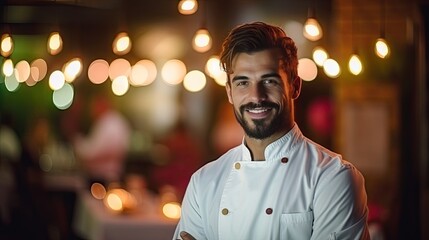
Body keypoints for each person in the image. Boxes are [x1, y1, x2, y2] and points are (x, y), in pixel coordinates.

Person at [173, 22, 369, 240]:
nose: (256, 97)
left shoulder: (332, 178)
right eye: (243, 83)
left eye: (269, 80)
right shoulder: (204, 182)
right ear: (229, 92)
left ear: (295, 86)